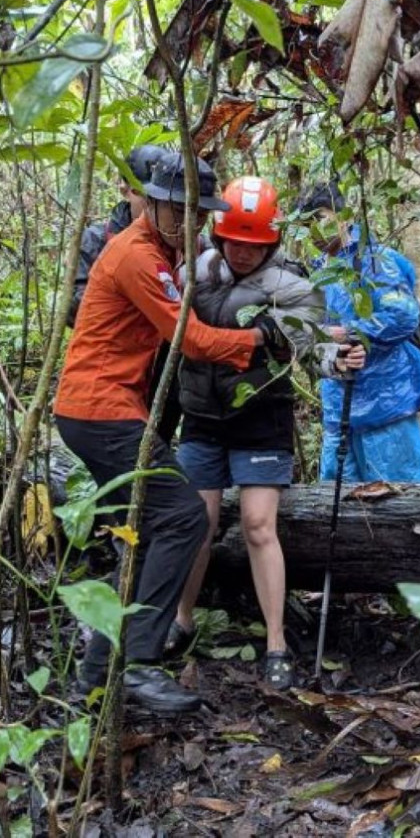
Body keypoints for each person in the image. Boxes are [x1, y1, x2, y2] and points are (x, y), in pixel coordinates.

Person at [54, 153, 283, 715]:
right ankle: (138, 664)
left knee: (155, 527)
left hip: (110, 408)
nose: (188, 224)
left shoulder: (162, 253)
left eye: (195, 213)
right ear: (150, 203)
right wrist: (261, 341)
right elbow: (193, 340)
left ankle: (95, 675)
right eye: (176, 210)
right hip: (101, 409)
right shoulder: (138, 256)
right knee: (182, 517)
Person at [164, 176, 366, 689]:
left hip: (261, 421)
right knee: (196, 521)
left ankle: (275, 642)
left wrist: (338, 360)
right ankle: (181, 622)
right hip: (201, 420)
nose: (242, 252)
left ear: (272, 241)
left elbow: (311, 344)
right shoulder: (195, 272)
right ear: (218, 234)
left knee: (258, 524)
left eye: (254, 244)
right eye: (234, 240)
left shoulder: (294, 287)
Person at [297, 180, 420, 483]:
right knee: (338, 500)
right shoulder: (320, 272)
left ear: (343, 214)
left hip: (385, 404)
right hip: (339, 408)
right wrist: (326, 344)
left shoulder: (375, 261)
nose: (315, 232)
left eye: (320, 219)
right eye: (306, 225)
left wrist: (352, 333)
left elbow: (403, 314)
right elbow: (311, 338)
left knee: (398, 497)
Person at [67, 143, 182, 445]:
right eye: (145, 195)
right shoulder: (96, 240)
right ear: (125, 189)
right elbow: (74, 308)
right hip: (114, 373)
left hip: (164, 373)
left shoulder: (183, 240)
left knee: (155, 448)